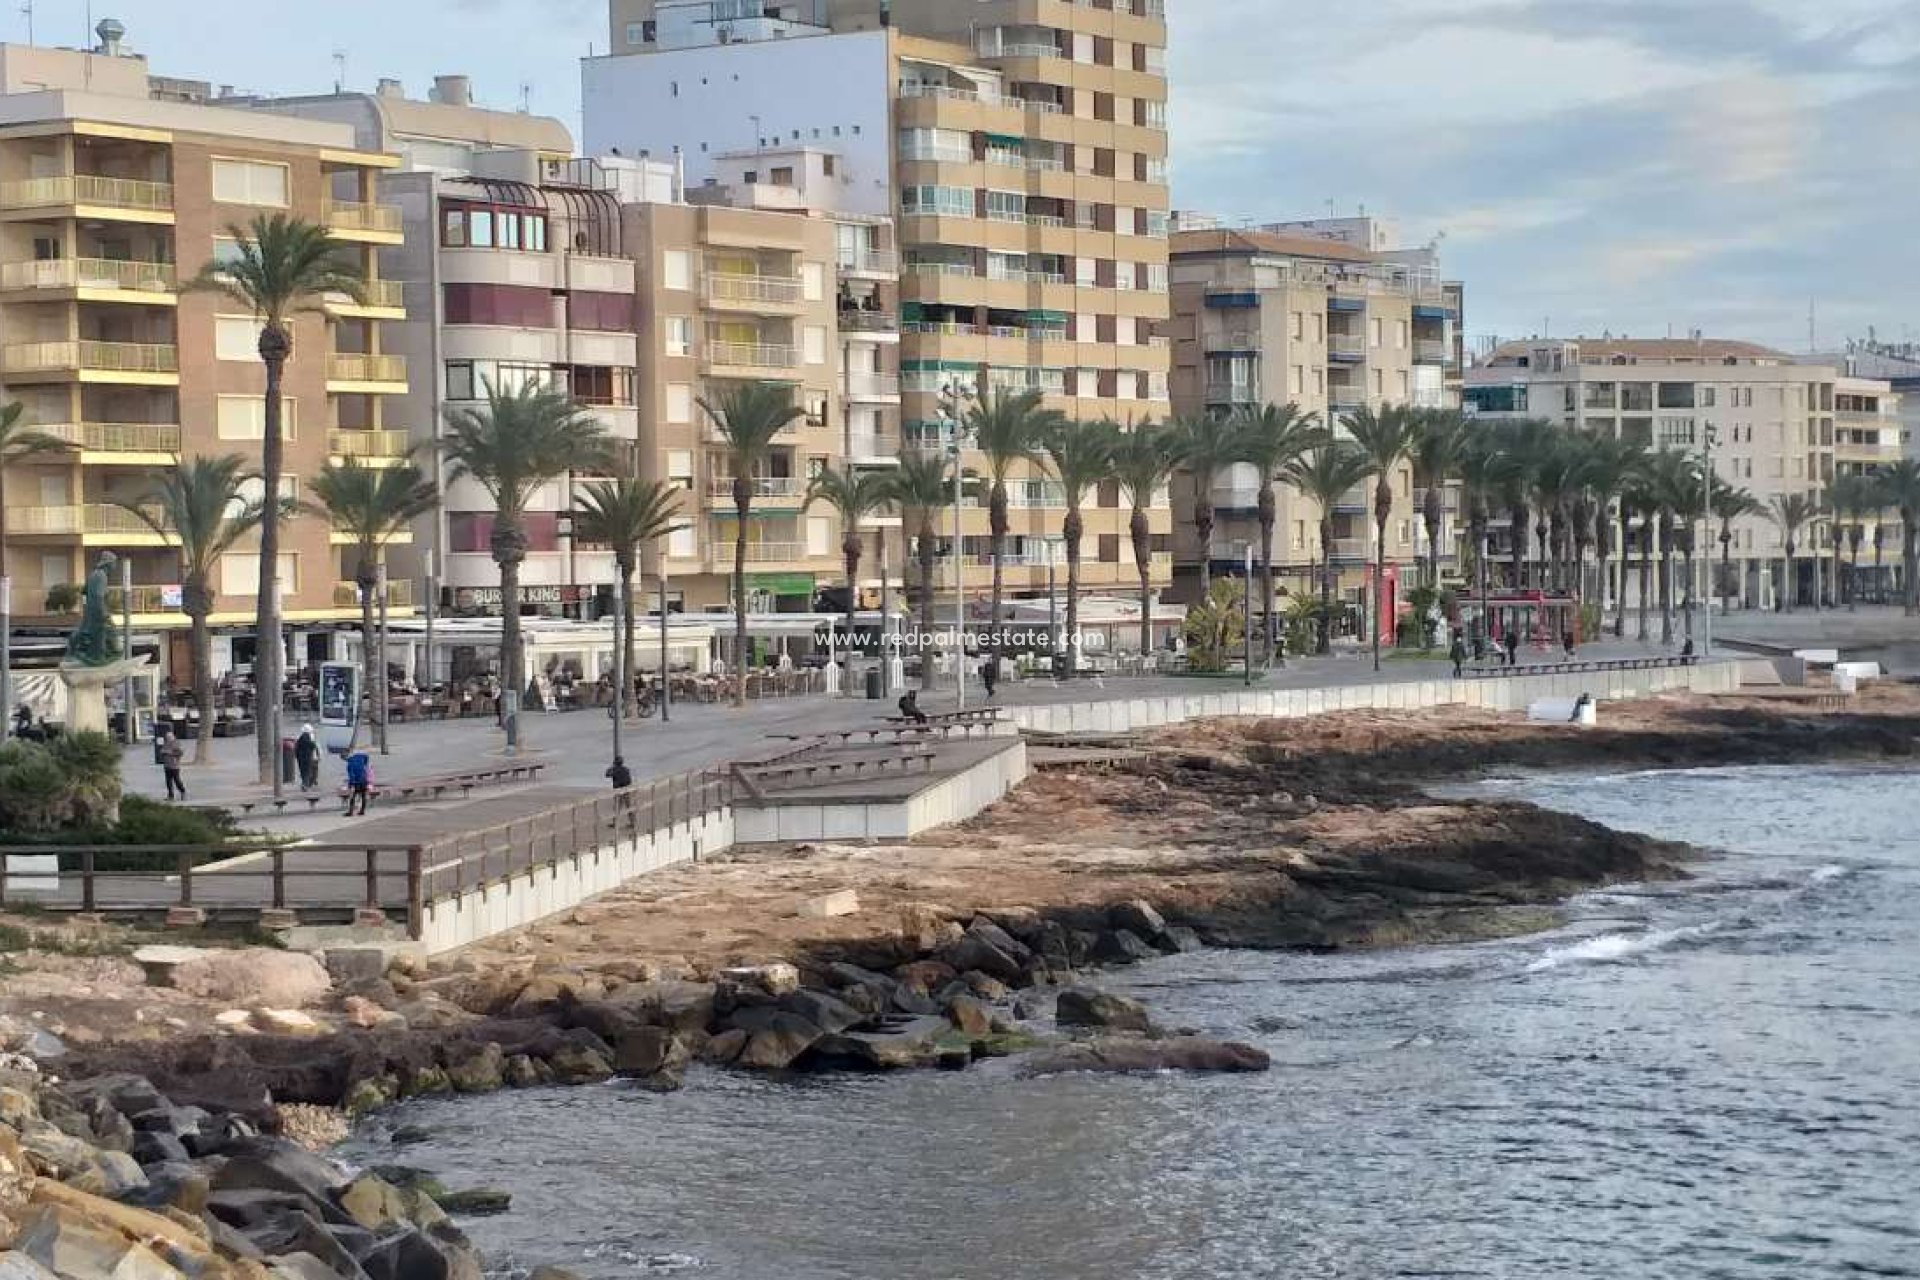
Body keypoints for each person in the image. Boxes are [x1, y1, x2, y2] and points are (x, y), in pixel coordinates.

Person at [158, 730, 186, 801]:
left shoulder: (177, 743)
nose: (168, 738)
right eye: (167, 737)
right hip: (167, 765)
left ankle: (182, 791)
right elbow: (162, 751)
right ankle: (170, 795)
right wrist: (162, 752)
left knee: (177, 780)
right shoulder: (166, 744)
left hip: (175, 766)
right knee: (168, 781)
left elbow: (180, 753)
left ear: (173, 737)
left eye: (169, 737)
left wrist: (170, 753)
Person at [344, 750, 372, 815]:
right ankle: (362, 811)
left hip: (356, 782)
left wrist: (352, 784)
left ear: (346, 758)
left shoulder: (350, 764)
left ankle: (350, 811)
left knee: (352, 796)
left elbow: (351, 775)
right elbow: (366, 756)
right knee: (363, 795)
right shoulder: (359, 757)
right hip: (363, 779)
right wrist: (365, 763)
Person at [293, 723, 320, 792]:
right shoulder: (310, 738)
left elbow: (296, 748)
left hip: (300, 758)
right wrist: (317, 756)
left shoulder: (299, 738)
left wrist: (296, 756)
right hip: (308, 757)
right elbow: (314, 746)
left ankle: (305, 784)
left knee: (303, 771)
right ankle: (305, 785)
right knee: (307, 771)